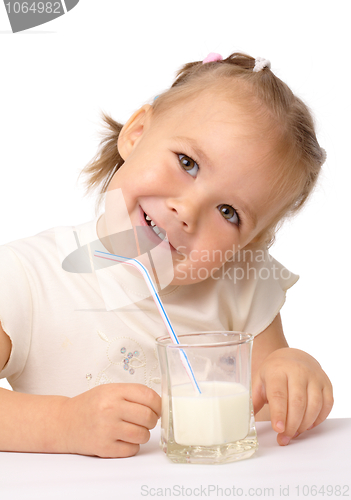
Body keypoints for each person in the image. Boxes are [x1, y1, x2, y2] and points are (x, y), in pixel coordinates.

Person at [0, 52, 333, 458]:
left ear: (249, 245)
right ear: (137, 133)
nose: (188, 211)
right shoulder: (29, 277)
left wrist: (293, 373)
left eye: (229, 213)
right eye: (187, 163)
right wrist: (63, 423)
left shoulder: (243, 284)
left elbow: (265, 415)